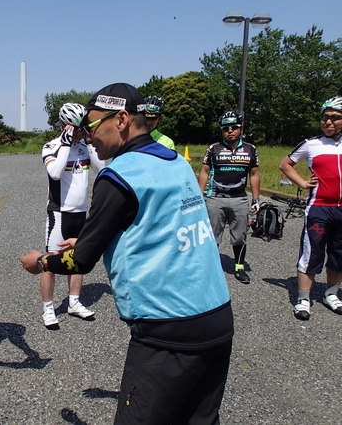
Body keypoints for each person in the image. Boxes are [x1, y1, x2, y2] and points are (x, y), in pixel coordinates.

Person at [21, 83, 233, 424]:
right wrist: (97, 238)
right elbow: (160, 223)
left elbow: (81, 260)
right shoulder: (176, 162)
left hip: (168, 328)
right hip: (217, 316)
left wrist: (41, 261)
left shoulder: (118, 174)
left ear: (121, 119)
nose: (88, 137)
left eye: (91, 127)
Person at [39, 103, 104, 329]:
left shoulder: (84, 146)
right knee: (50, 261)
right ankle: (48, 308)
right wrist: (67, 143)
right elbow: (55, 174)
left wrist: (90, 142)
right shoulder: (52, 146)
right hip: (59, 212)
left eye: (82, 129)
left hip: (81, 213)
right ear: (65, 126)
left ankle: (74, 302)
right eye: (76, 129)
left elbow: (101, 169)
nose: (79, 133)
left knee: (77, 259)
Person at [279, 96, 342, 320]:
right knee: (311, 253)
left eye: (335, 118)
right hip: (319, 208)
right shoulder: (311, 143)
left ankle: (331, 294)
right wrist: (303, 183)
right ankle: (303, 298)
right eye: (325, 117)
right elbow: (285, 164)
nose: (328, 122)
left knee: (338, 255)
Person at [198, 111, 261, 284]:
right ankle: (210, 267)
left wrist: (256, 199)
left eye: (234, 127)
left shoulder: (250, 149)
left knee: (239, 235)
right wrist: (199, 195)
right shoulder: (214, 148)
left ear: (241, 128)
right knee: (212, 235)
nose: (230, 131)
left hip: (239, 198)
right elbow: (205, 171)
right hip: (215, 197)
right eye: (226, 128)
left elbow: (254, 174)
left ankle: (239, 267)